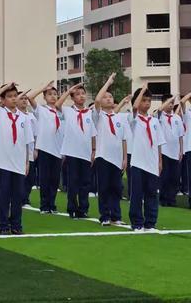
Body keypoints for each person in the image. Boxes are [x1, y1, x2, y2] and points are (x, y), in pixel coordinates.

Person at [0, 83, 33, 235]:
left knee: (18, 196)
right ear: (3, 99)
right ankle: (3, 225)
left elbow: (27, 141)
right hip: (3, 161)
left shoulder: (24, 118)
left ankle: (16, 224)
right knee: (4, 194)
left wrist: (27, 161)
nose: (14, 99)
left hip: (19, 161)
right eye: (9, 96)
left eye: (15, 96)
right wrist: (4, 88)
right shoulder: (0, 113)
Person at [93, 73, 130, 225]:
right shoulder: (98, 115)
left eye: (110, 97)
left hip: (116, 158)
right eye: (105, 97)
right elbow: (96, 100)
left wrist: (125, 158)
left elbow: (123, 139)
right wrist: (108, 82)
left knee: (117, 188)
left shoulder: (120, 117)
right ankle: (105, 216)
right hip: (102, 156)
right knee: (104, 187)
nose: (108, 98)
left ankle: (116, 216)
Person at [56, 84, 97, 219]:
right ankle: (72, 208)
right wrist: (69, 91)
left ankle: (83, 209)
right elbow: (57, 105)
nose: (81, 96)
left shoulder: (89, 113)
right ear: (73, 98)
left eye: (83, 93)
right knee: (73, 181)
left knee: (85, 182)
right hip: (72, 152)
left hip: (85, 152)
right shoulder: (68, 111)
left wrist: (93, 150)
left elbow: (92, 134)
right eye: (78, 94)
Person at [129, 83, 166, 231]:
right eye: (144, 100)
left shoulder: (155, 121)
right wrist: (142, 90)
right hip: (138, 162)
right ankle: (137, 222)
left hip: (152, 163)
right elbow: (134, 107)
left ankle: (150, 223)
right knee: (137, 194)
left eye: (149, 101)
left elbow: (158, 143)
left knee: (152, 193)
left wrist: (160, 161)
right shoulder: (133, 119)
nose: (147, 103)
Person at [27, 82, 63, 214]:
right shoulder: (41, 110)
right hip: (44, 148)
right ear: (45, 97)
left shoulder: (61, 111)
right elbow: (30, 97)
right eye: (49, 94)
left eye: (55, 94)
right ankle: (44, 205)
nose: (53, 97)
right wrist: (43, 87)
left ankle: (52, 204)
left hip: (58, 149)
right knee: (45, 178)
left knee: (55, 179)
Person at [158, 95, 184, 207]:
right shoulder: (159, 116)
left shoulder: (177, 118)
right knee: (165, 176)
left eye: (172, 103)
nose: (171, 105)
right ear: (164, 103)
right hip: (164, 151)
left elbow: (180, 136)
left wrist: (181, 150)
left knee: (174, 177)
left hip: (175, 151)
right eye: (169, 103)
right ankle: (163, 199)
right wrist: (170, 98)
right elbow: (159, 110)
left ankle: (171, 199)